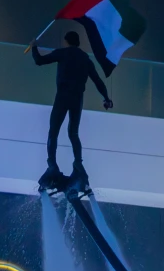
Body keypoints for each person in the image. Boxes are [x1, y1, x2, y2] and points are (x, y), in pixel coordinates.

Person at [32, 30, 113, 197]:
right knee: (73, 133)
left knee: (53, 131)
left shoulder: (62, 53)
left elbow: (39, 61)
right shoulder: (85, 58)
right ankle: (78, 163)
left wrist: (34, 47)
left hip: (62, 96)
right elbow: (98, 81)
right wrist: (106, 98)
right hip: (77, 99)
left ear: (66, 41)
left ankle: (52, 164)